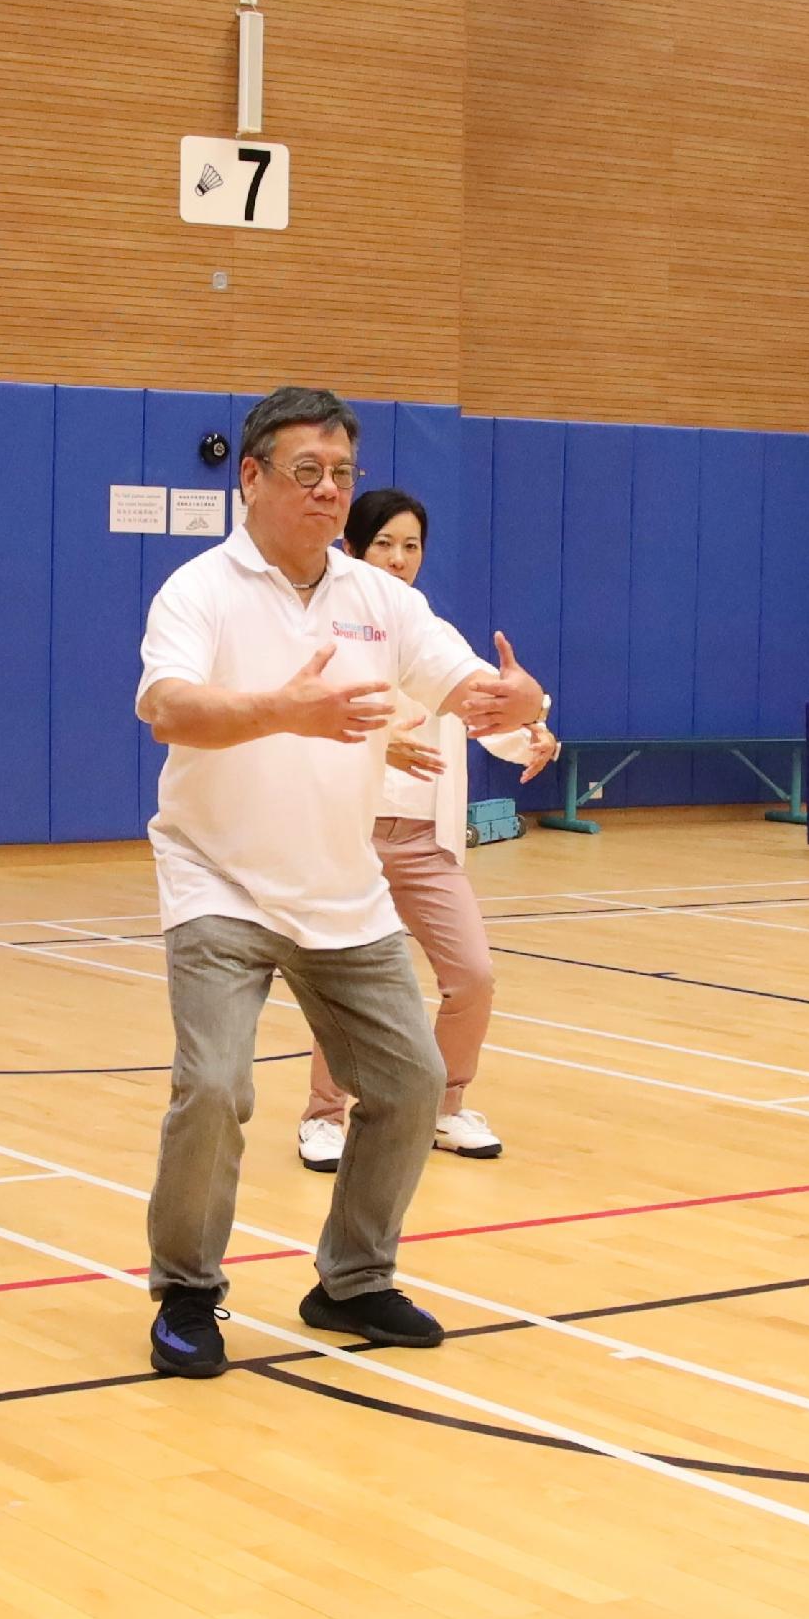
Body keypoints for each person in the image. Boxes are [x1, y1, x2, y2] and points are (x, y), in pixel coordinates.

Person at [133, 387, 546, 1379]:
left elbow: (466, 688)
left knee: (409, 1082)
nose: (327, 493)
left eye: (341, 476)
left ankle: (352, 1279)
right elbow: (167, 708)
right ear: (251, 478)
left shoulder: (381, 601)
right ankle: (187, 1292)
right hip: (217, 881)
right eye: (306, 473)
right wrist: (281, 709)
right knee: (215, 1088)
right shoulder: (199, 590)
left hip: (339, 887)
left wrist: (513, 700)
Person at [291, 487, 556, 1174]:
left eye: (411, 546)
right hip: (351, 835)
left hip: (426, 842)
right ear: (350, 546)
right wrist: (380, 745)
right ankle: (324, 1115)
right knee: (349, 981)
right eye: (385, 543)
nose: (400, 558)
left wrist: (530, 734)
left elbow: (479, 709)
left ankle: (445, 1105)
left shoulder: (432, 632)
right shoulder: (324, 634)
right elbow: (306, 726)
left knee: (473, 975)